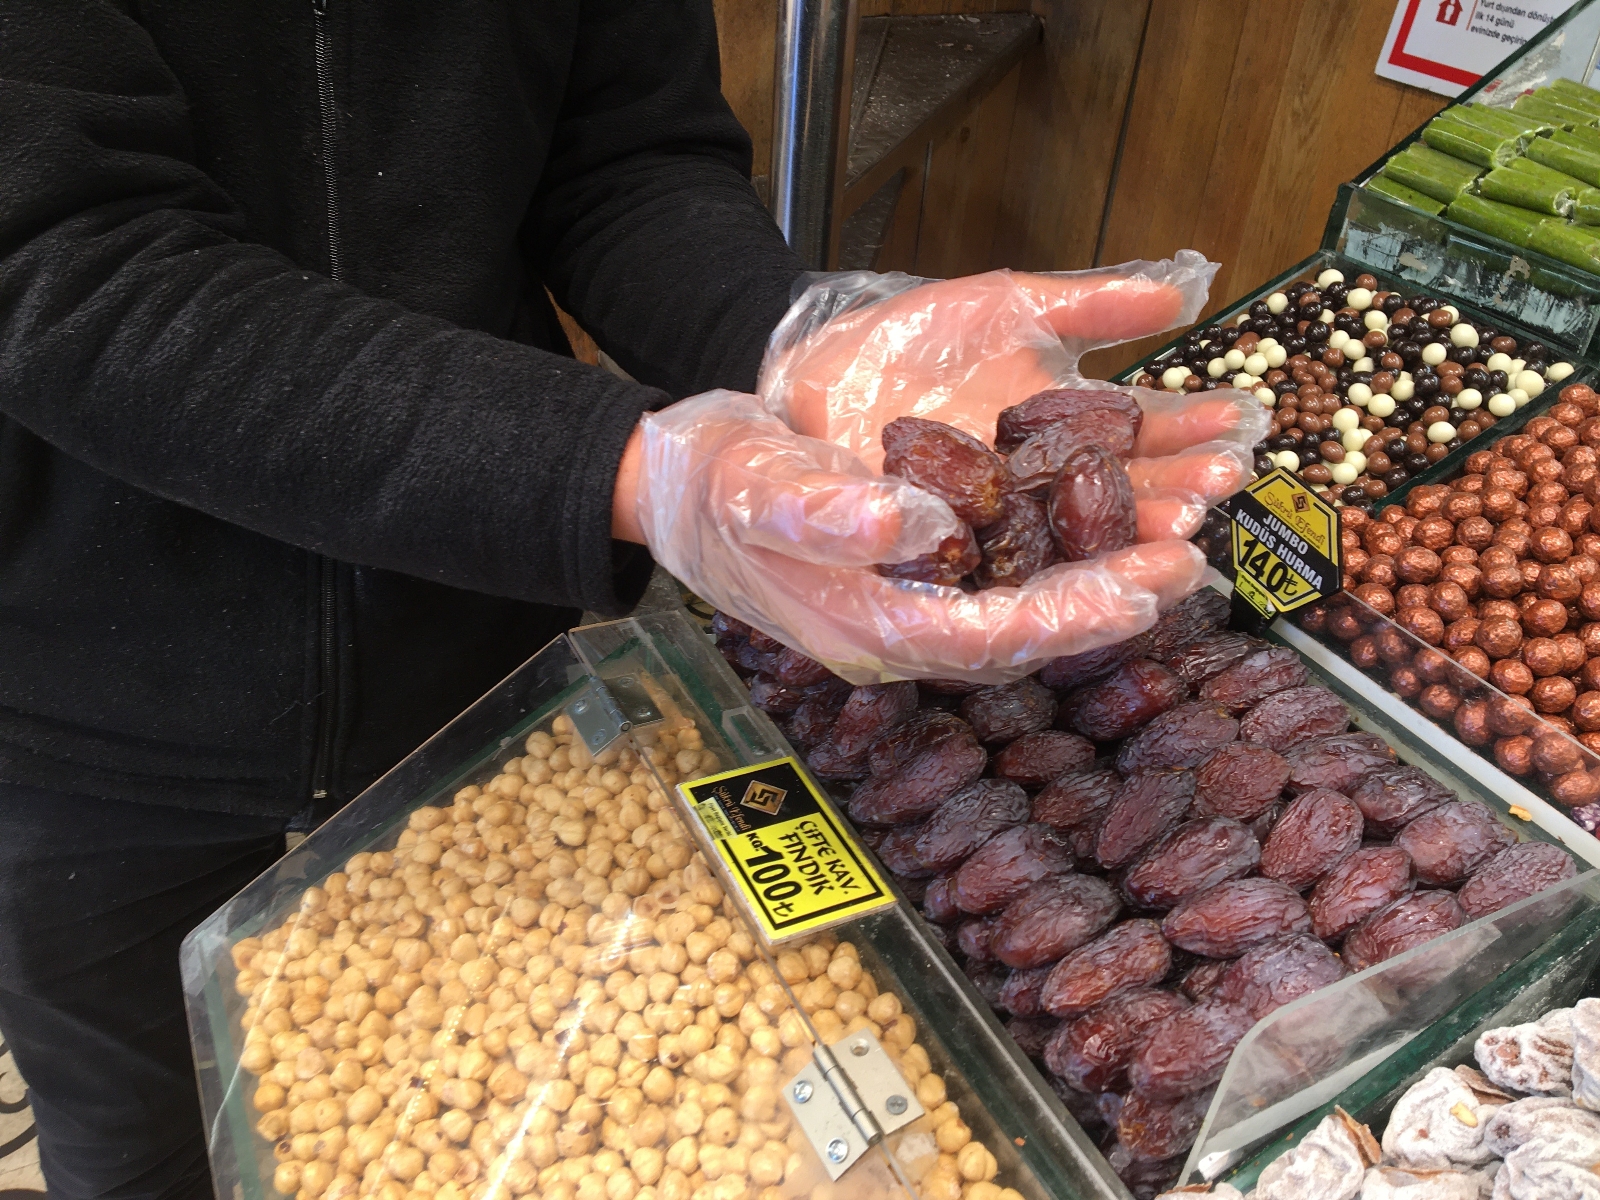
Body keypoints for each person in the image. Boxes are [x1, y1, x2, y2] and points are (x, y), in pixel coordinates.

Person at [0, 3, 1256, 1197]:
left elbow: (619, 156)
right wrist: (621, 467)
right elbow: (65, 257)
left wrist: (790, 335)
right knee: (143, 1152)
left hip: (478, 664)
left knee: (499, 1116)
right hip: (85, 709)